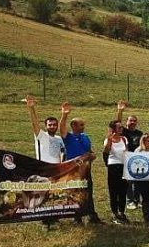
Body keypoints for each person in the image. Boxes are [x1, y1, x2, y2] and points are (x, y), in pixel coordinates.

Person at [58, 102, 102, 225]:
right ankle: (77, 217)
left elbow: (89, 152)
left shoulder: (86, 137)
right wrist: (64, 115)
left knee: (88, 192)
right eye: (81, 125)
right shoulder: (68, 137)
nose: (83, 127)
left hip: (86, 170)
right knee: (75, 194)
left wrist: (92, 156)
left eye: (83, 125)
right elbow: (61, 128)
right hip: (74, 172)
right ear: (73, 125)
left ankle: (92, 216)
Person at [25, 95, 65, 230]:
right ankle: (45, 221)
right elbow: (34, 123)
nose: (52, 126)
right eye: (50, 125)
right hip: (43, 169)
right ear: (46, 126)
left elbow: (62, 152)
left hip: (57, 169)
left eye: (54, 125)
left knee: (54, 194)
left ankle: (54, 217)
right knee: (42, 195)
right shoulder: (41, 135)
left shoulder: (59, 138)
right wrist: (32, 108)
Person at [116, 100, 143, 210]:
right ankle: (129, 201)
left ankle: (137, 200)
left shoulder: (139, 133)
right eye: (130, 120)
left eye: (134, 121)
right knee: (128, 181)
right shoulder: (124, 132)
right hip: (126, 159)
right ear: (126, 122)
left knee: (137, 180)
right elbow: (117, 123)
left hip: (137, 160)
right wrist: (120, 111)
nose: (132, 122)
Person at [102, 120, 129, 224]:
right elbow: (106, 152)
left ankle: (122, 212)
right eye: (119, 128)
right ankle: (115, 213)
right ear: (114, 130)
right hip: (113, 167)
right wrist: (109, 139)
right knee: (114, 191)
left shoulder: (124, 139)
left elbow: (126, 152)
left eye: (121, 127)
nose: (121, 129)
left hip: (123, 166)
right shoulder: (108, 140)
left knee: (123, 190)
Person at [133, 134, 149, 225]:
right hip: (142, 178)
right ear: (143, 142)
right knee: (145, 197)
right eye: (148, 141)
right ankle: (146, 216)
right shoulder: (138, 151)